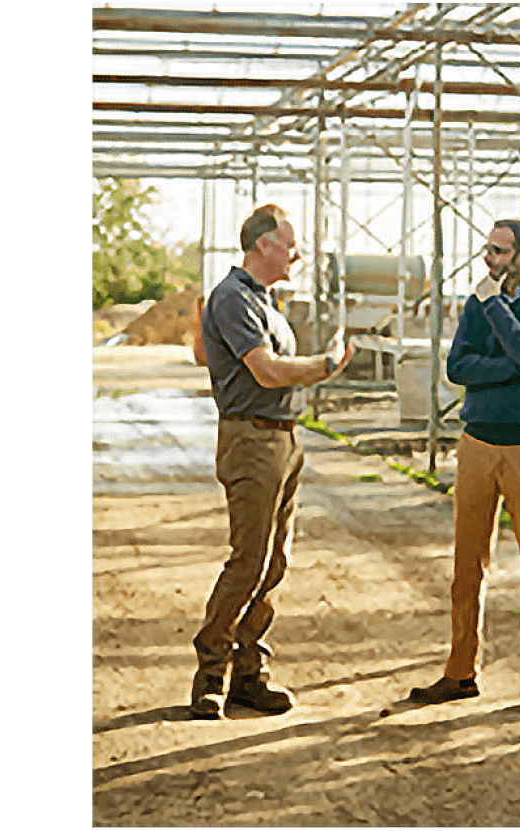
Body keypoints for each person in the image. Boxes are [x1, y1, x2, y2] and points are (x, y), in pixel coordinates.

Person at [409, 218, 520, 716]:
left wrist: (496, 308)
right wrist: (517, 370)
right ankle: (461, 672)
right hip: (477, 444)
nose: (489, 258)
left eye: (500, 251)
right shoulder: (476, 302)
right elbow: (458, 368)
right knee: (467, 568)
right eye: (488, 249)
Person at [190, 204, 353, 720]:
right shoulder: (234, 298)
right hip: (252, 440)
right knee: (248, 562)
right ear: (263, 245)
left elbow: (202, 352)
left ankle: (248, 674)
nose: (297, 253)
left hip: (283, 440)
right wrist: (325, 366)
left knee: (275, 563)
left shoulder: (262, 302)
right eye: (290, 243)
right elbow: (265, 371)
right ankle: (211, 672)